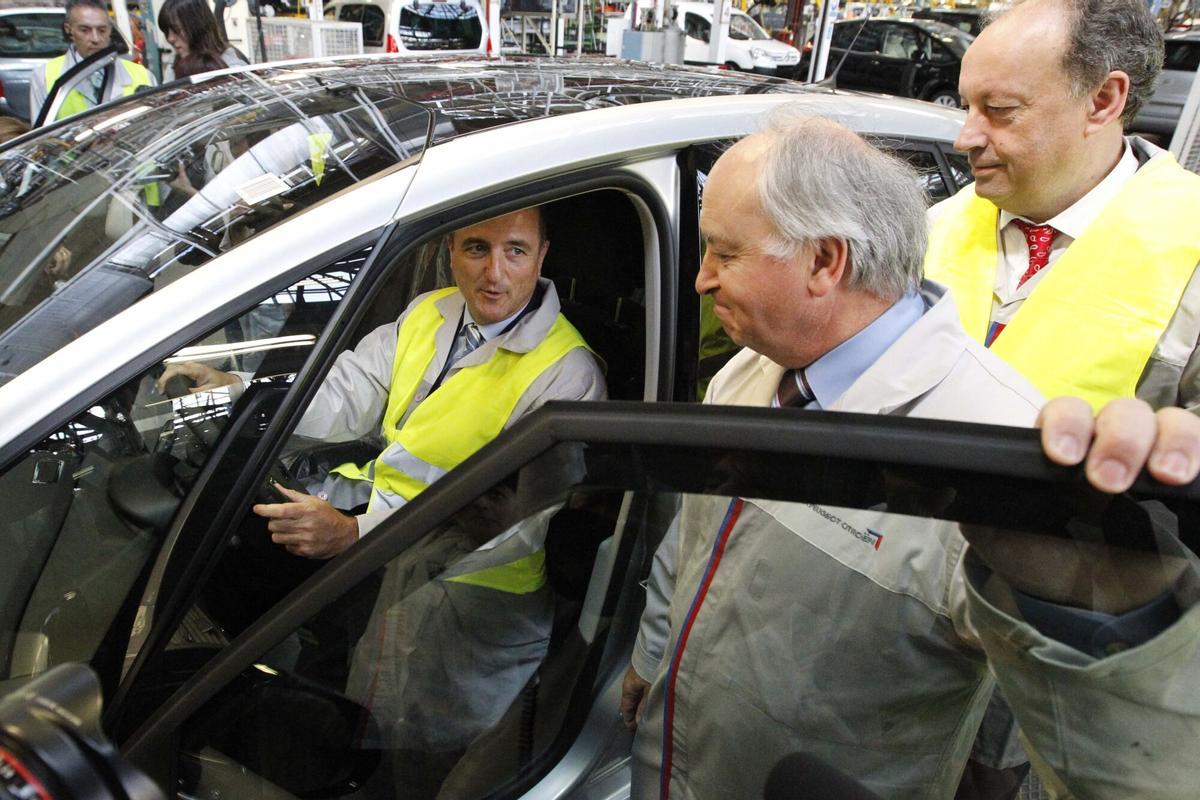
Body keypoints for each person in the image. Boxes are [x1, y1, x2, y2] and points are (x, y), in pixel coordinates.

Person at [622, 111, 1200, 799]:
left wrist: (1117, 599)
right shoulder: (752, 367)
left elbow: (1075, 736)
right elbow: (691, 540)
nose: (702, 280)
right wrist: (651, 655)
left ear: (824, 261)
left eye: (725, 253)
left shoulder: (992, 448)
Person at [161, 206, 605, 562]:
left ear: (541, 256)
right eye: (476, 248)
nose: (494, 273)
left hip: (468, 590)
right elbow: (345, 392)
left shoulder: (567, 375)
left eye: (516, 251)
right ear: (451, 249)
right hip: (386, 542)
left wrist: (355, 534)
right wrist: (242, 388)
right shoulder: (431, 310)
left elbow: (518, 525)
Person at [926, 0, 1200, 413]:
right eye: (968, 108)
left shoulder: (1190, 251)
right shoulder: (935, 226)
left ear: (1103, 101)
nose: (965, 139)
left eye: (1000, 109)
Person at [28, 0, 155, 126]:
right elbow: (41, 135)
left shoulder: (142, 75)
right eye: (85, 30)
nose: (95, 39)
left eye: (102, 30)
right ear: (68, 29)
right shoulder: (44, 76)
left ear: (110, 30)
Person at [158, 0, 248, 81]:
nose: (170, 38)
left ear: (197, 27)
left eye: (176, 29)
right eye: (166, 31)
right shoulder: (172, 67)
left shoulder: (234, 71)